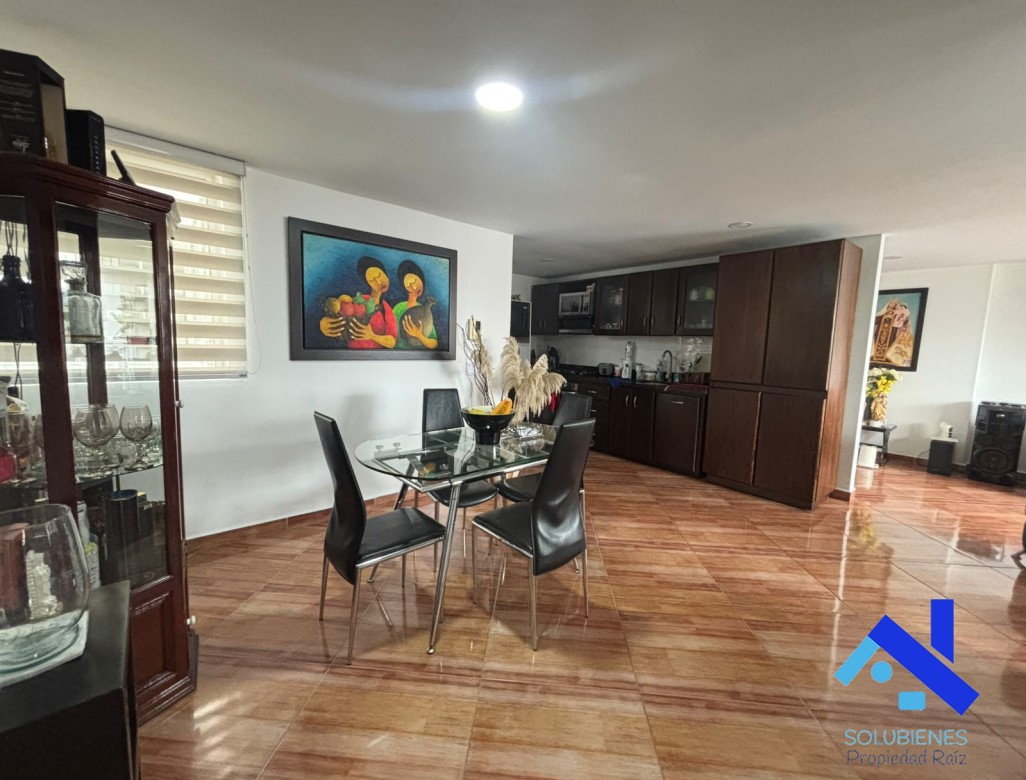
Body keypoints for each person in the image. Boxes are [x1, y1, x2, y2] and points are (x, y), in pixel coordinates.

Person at [319, 256, 397, 349]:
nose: (378, 282)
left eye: (379, 275)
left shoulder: (386, 308)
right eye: (372, 280)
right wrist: (324, 324)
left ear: (386, 274)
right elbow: (339, 309)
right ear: (368, 283)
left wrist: (372, 336)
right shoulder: (359, 300)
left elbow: (392, 342)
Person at [392, 259, 438, 350]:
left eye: (415, 282)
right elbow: (392, 337)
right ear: (404, 287)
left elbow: (434, 343)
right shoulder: (398, 308)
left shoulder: (424, 310)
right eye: (409, 285)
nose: (414, 287)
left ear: (422, 281)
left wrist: (419, 335)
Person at [871, 299, 915, 367]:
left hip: (892, 334)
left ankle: (886, 357)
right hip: (880, 334)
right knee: (879, 344)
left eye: (893, 307)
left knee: (890, 344)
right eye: (889, 307)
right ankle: (877, 357)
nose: (890, 309)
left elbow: (904, 321)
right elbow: (874, 320)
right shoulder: (883, 315)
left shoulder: (897, 314)